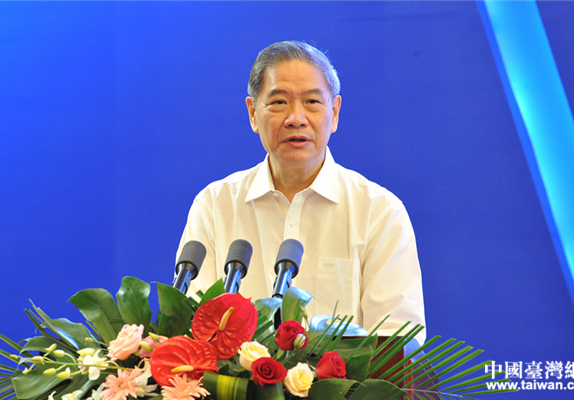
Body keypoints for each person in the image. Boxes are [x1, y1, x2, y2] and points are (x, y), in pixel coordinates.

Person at [177, 41, 426, 344]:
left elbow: (396, 341)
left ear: (334, 112)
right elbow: (194, 330)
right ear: (253, 113)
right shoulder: (215, 206)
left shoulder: (378, 212)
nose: (296, 118)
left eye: (311, 102)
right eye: (279, 102)